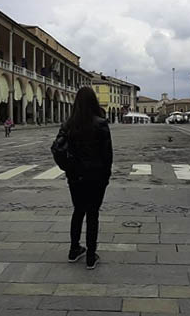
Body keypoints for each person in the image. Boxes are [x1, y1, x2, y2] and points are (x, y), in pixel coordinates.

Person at [62, 86, 113, 269]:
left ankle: (74, 249)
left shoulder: (69, 124)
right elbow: (107, 155)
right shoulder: (100, 123)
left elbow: (58, 148)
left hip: (75, 177)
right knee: (93, 214)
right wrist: (106, 177)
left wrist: (68, 169)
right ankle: (91, 255)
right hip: (96, 177)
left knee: (78, 211)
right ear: (93, 102)